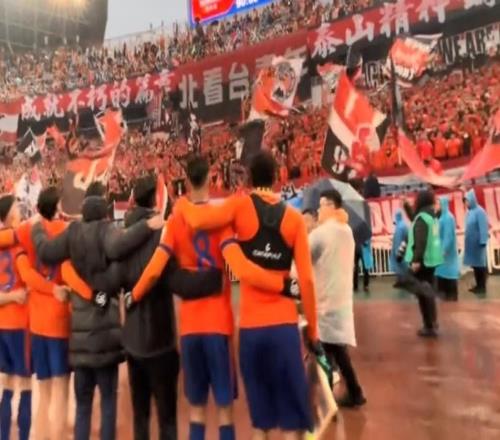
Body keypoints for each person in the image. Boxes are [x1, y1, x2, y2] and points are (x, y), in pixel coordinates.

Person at [130, 156, 300, 440]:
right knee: (224, 410)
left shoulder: (176, 220)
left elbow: (155, 269)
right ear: (210, 178)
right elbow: (240, 267)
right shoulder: (222, 222)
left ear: (186, 181)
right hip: (218, 326)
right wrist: (283, 284)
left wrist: (133, 295)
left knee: (197, 411)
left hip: (190, 328)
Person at [170, 151, 318, 439]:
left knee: (260, 422)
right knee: (292, 423)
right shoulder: (295, 220)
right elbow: (308, 281)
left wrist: (182, 203)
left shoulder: (239, 207)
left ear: (248, 178)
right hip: (285, 327)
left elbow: (199, 220)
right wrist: (313, 331)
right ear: (276, 178)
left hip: (251, 329)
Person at [30, 182, 164, 440]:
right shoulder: (107, 230)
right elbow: (119, 245)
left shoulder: (73, 233)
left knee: (83, 406)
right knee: (108, 403)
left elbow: (45, 252)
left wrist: (37, 227)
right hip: (107, 336)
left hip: (80, 338)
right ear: (104, 209)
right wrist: (147, 225)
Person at [308, 190, 366, 407]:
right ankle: (354, 391)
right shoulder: (347, 231)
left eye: (321, 205)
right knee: (337, 349)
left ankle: (326, 401)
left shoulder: (321, 233)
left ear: (331, 206)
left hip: (325, 300)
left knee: (323, 350)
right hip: (341, 300)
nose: (318, 209)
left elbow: (303, 257)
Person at [0, 196, 31, 440]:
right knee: (26, 386)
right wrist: (18, 295)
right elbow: (29, 279)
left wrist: (7, 297)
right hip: (20, 324)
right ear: (10, 215)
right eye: (17, 209)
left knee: (7, 385)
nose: (20, 211)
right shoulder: (20, 246)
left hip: (1, 326)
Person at [404, 190, 443, 338]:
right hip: (432, 261)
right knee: (428, 292)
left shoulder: (422, 218)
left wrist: (416, 261)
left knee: (423, 295)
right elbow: (415, 217)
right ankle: (432, 322)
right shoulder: (431, 217)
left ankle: (429, 326)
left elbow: (420, 242)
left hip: (423, 262)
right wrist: (406, 206)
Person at [463, 189, 489, 295]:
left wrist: (483, 241)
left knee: (480, 266)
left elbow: (483, 227)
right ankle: (478, 285)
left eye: (467, 201)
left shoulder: (480, 211)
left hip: (478, 244)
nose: (466, 203)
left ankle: (482, 286)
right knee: (475, 265)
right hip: (471, 244)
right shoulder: (469, 213)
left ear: (472, 200)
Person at [435, 196, 460, 301]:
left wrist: (443, 250)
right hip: (440, 254)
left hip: (447, 255)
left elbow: (448, 237)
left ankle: (451, 298)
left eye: (438, 204)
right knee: (441, 277)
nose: (436, 206)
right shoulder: (440, 218)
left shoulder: (448, 218)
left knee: (449, 276)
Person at [389, 209, 408, 288]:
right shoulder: (403, 225)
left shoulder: (399, 227)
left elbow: (398, 239)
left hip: (399, 248)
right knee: (402, 265)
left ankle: (402, 281)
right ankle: (401, 280)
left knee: (399, 265)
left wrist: (397, 250)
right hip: (404, 248)